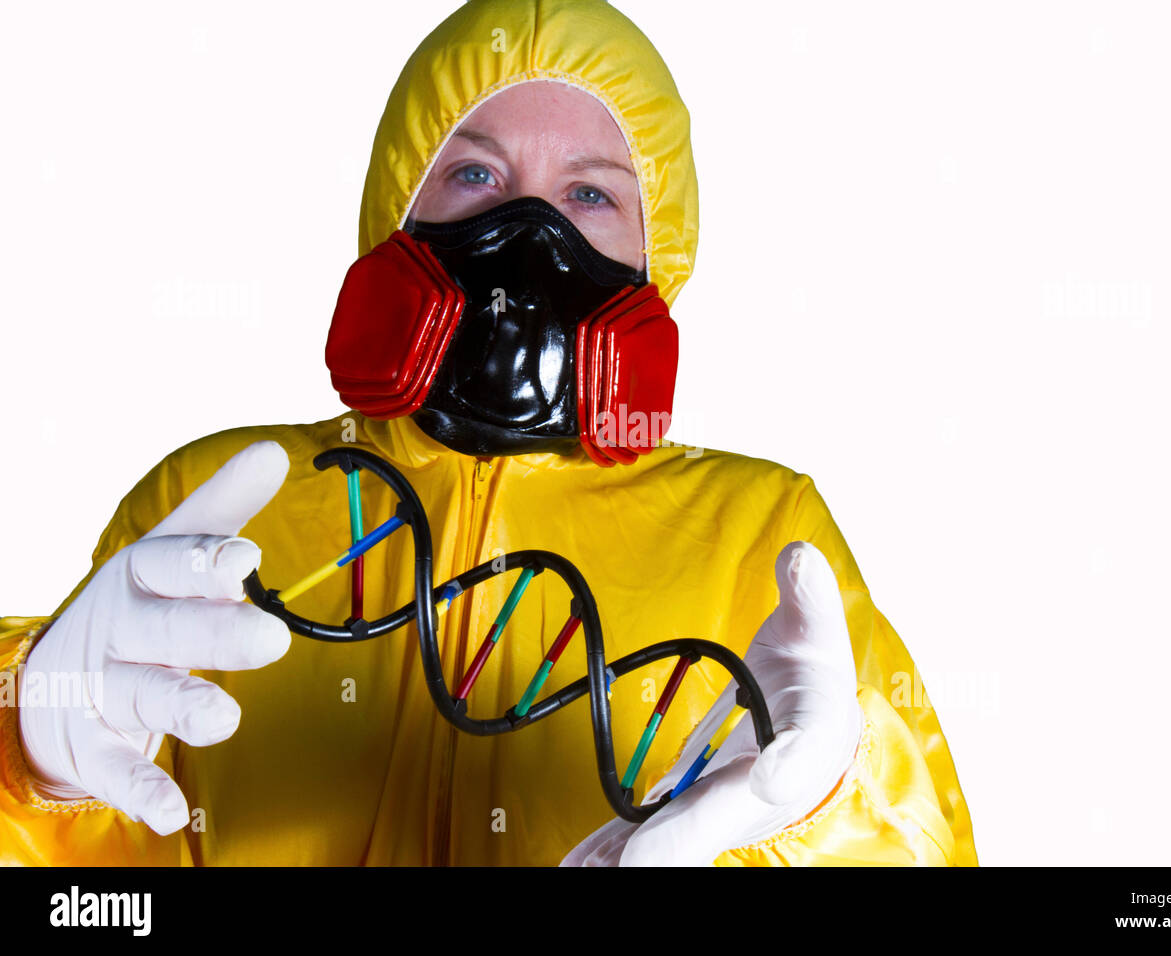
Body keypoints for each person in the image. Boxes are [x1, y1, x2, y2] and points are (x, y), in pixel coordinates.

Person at [0, 0, 976, 866]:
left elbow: (924, 843)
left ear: (659, 247)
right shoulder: (215, 497)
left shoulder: (764, 530)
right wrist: (29, 748)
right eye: (473, 171)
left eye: (589, 194)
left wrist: (821, 814)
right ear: (394, 209)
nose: (526, 225)